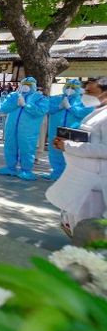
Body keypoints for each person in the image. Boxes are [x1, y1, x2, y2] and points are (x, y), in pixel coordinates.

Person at [46, 76, 107, 235]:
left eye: (90, 92)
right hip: (81, 177)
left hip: (96, 181)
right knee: (74, 221)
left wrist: (69, 145)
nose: (85, 95)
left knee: (88, 226)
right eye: (85, 91)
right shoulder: (96, 112)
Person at [0, 76, 50, 181]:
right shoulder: (13, 96)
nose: (25, 87)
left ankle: (26, 170)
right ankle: (10, 168)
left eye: (29, 85)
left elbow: (40, 111)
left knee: (27, 148)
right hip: (11, 127)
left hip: (28, 129)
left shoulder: (40, 98)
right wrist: (16, 104)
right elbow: (3, 108)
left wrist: (26, 105)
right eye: (24, 84)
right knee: (10, 147)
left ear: (34, 86)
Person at [41, 79, 94, 181]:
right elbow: (47, 109)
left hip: (73, 130)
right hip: (56, 130)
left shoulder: (84, 101)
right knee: (55, 151)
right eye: (68, 86)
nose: (70, 89)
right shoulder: (57, 98)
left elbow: (85, 113)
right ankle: (57, 173)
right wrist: (59, 106)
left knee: (72, 152)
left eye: (73, 87)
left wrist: (70, 107)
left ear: (78, 89)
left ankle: (71, 176)